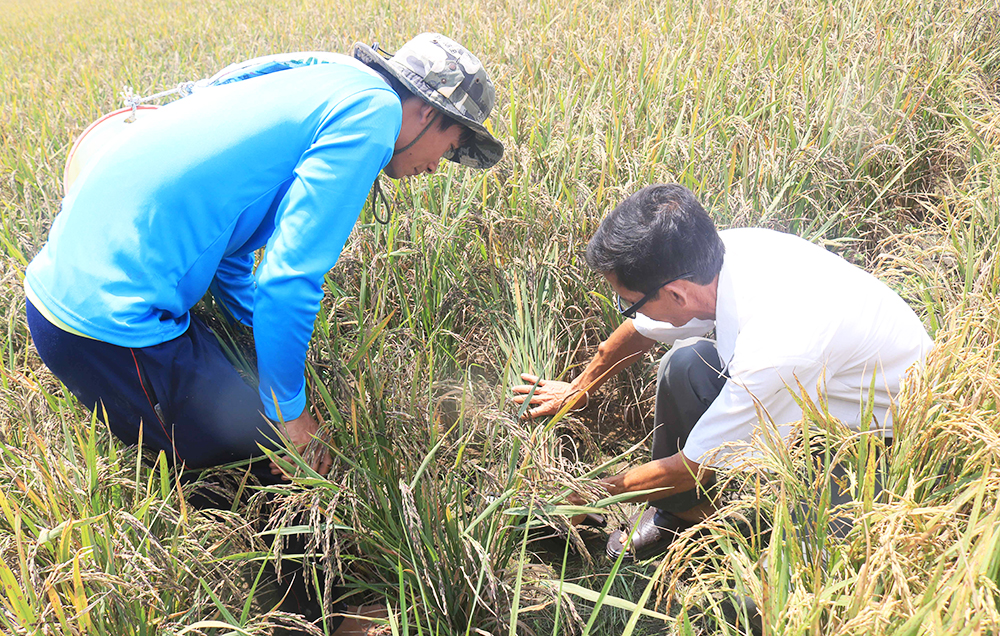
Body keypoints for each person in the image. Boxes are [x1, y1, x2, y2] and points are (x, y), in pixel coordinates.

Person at [24, 33, 503, 634]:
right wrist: (291, 414)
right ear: (427, 112)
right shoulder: (374, 114)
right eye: (451, 145)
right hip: (108, 324)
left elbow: (229, 250)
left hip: (65, 290)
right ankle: (319, 610)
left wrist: (273, 349)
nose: (439, 166)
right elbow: (287, 279)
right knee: (268, 455)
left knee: (246, 414)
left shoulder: (325, 75)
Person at [512, 184, 932, 561]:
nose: (628, 310)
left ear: (675, 293)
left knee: (780, 589)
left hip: (874, 440)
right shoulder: (711, 261)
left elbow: (690, 467)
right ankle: (682, 512)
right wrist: (579, 389)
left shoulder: (776, 343)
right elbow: (641, 330)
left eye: (628, 300)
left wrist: (583, 496)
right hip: (818, 389)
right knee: (686, 363)